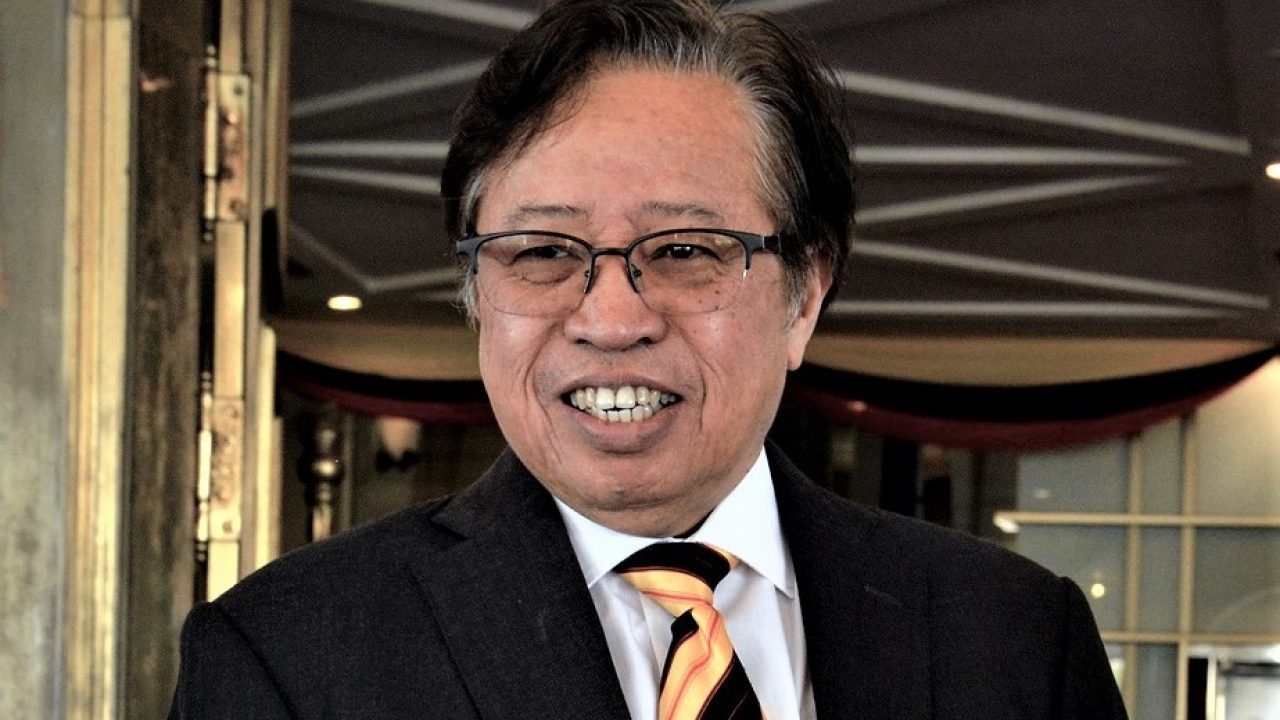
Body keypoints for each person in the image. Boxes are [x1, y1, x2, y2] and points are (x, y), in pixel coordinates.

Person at [169, 1, 1128, 718]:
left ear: (804, 295)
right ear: (475, 295)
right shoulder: (288, 655)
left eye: (685, 250)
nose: (611, 318)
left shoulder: (1012, 640)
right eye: (543, 252)